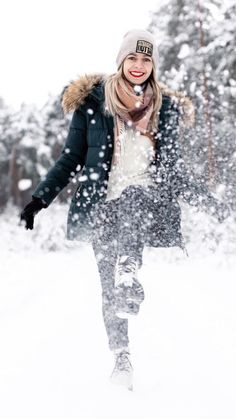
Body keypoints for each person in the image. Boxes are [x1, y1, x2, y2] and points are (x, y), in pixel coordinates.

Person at [20, 29, 230, 391]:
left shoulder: (163, 109)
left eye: (146, 59)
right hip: (100, 205)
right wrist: (39, 199)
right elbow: (71, 158)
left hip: (144, 199)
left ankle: (129, 268)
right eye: (132, 58)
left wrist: (210, 203)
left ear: (153, 65)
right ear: (121, 61)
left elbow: (172, 170)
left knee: (133, 198)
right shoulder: (93, 103)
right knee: (109, 289)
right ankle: (121, 355)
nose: (138, 65)